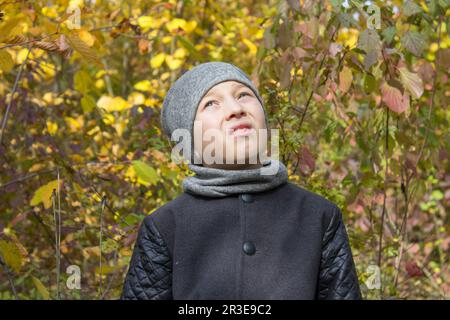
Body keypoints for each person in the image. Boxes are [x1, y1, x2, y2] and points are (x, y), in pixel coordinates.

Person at [120, 61, 362, 300]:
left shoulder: (319, 216)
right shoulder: (165, 226)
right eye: (211, 103)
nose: (236, 108)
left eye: (244, 94)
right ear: (189, 140)